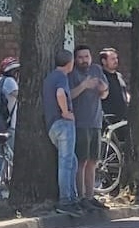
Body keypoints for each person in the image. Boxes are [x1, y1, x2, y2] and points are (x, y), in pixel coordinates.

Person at [69, 44, 110, 210]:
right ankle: (80, 197)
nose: (84, 60)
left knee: (93, 161)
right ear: (75, 59)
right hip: (80, 123)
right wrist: (84, 86)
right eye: (80, 57)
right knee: (81, 161)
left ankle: (90, 195)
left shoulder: (96, 70)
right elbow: (68, 95)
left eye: (86, 57)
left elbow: (106, 92)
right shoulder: (72, 73)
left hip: (96, 121)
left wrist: (102, 89)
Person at [42, 49, 82, 217]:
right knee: (66, 162)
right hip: (63, 123)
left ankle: (73, 196)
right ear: (70, 63)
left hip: (51, 125)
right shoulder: (61, 77)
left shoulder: (49, 77)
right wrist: (65, 112)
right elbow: (60, 94)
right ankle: (65, 200)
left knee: (72, 160)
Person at [0, 56, 19, 201]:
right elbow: (19, 96)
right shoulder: (11, 82)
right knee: (15, 160)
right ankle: (14, 190)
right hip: (9, 128)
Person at [99, 47, 129, 121]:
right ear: (104, 61)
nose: (116, 61)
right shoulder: (101, 77)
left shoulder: (119, 76)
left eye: (116, 58)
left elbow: (123, 91)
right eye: (112, 59)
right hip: (109, 120)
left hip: (123, 119)